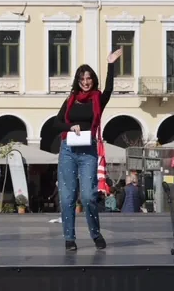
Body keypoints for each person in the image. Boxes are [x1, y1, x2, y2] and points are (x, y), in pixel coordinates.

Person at [53, 47, 122, 251]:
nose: (85, 81)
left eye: (89, 78)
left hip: (88, 151)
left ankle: (95, 233)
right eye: (82, 78)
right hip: (68, 150)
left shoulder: (97, 98)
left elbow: (109, 89)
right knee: (67, 197)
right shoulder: (70, 99)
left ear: (93, 80)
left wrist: (110, 64)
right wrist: (70, 127)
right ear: (77, 80)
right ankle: (69, 238)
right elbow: (56, 123)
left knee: (89, 196)